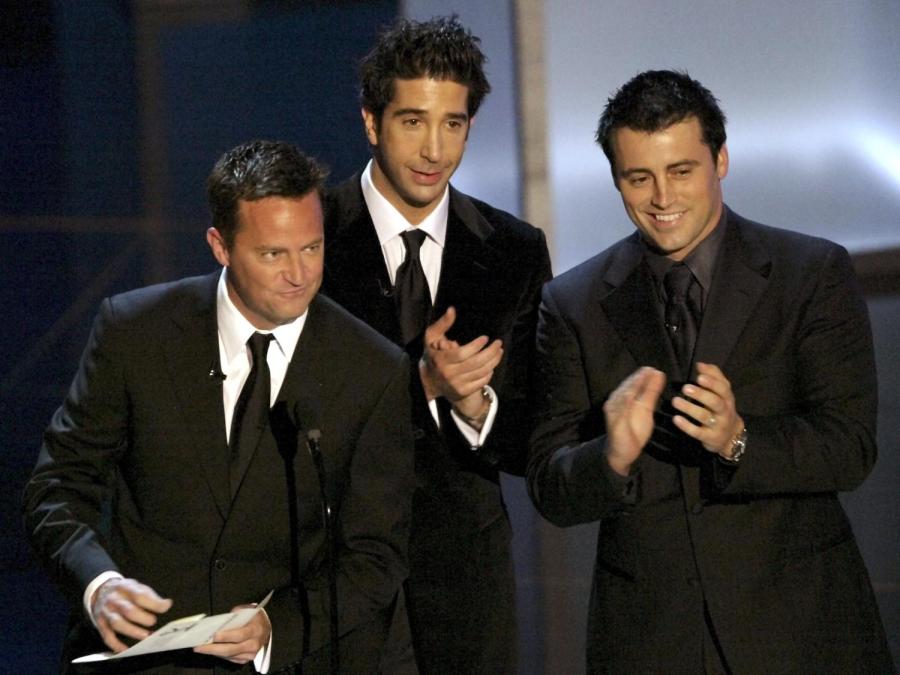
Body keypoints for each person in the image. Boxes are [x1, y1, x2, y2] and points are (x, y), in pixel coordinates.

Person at [527, 70, 894, 674]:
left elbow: (850, 447)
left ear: (720, 159)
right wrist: (610, 456)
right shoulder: (573, 302)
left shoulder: (811, 273)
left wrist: (737, 440)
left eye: (681, 171)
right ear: (617, 178)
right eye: (638, 178)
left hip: (802, 628)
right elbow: (550, 485)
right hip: (649, 640)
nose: (662, 199)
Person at [23, 140, 415, 673]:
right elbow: (58, 488)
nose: (299, 275)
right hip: (139, 659)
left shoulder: (371, 369)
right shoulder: (135, 332)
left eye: (312, 248)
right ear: (220, 246)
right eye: (273, 254)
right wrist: (100, 585)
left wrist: (277, 629)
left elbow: (375, 555)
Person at [321, 16, 551, 674]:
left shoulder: (514, 250)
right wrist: (418, 387)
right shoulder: (310, 239)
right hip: (339, 567)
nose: (434, 149)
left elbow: (538, 423)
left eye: (453, 124)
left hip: (466, 576)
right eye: (413, 121)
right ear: (372, 121)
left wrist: (476, 406)